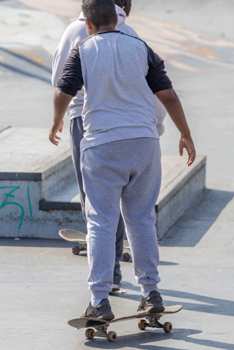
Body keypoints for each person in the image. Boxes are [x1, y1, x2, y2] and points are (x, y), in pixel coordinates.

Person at [49, 0, 196, 320]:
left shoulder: (84, 49)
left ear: (88, 23)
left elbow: (63, 89)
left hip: (102, 145)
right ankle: (151, 292)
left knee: (101, 220)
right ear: (119, 17)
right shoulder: (140, 46)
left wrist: (57, 120)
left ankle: (100, 300)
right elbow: (167, 94)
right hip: (143, 143)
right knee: (142, 218)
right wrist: (185, 132)